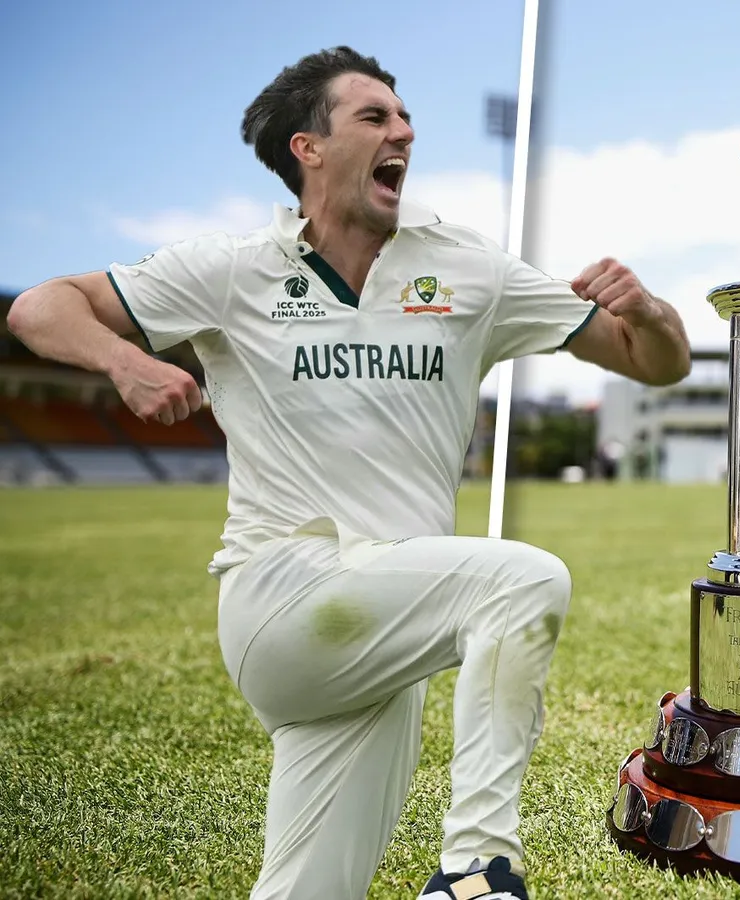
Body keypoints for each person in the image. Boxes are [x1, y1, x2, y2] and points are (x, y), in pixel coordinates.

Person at [6, 46, 690, 900]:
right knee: (520, 581)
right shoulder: (231, 268)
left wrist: (650, 310)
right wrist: (125, 362)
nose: (402, 130)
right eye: (374, 116)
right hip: (285, 592)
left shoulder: (469, 268)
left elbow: (651, 364)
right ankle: (480, 872)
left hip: (390, 625)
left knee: (310, 891)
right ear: (309, 148)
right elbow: (40, 307)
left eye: (404, 119)